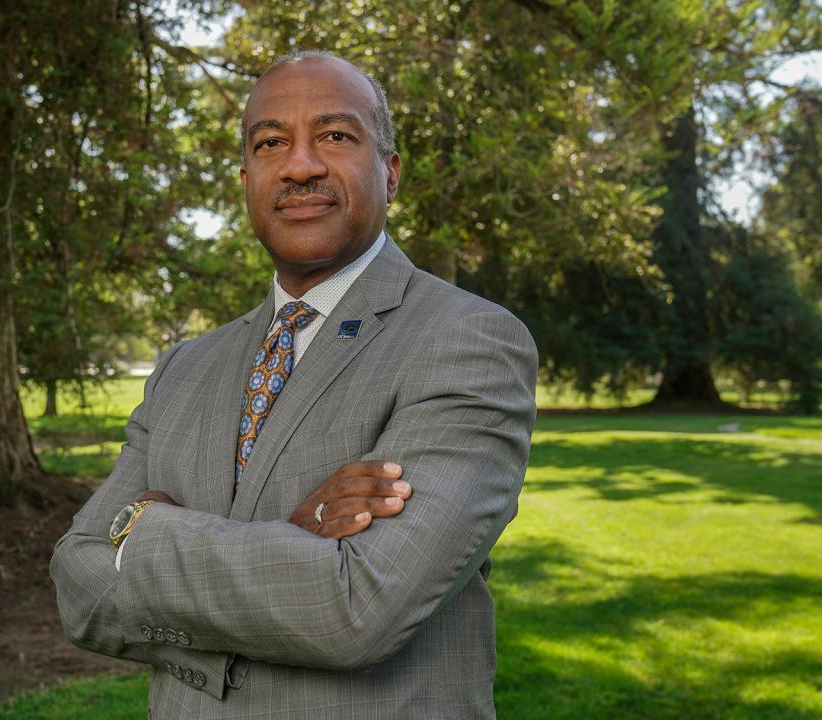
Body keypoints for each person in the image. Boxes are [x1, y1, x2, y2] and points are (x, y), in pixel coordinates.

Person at [50, 50, 537, 719]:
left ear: (390, 173)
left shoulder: (467, 342)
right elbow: (78, 587)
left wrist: (141, 532)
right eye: (271, 142)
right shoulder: (184, 367)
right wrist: (292, 539)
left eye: (335, 136)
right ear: (247, 176)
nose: (300, 165)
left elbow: (358, 609)